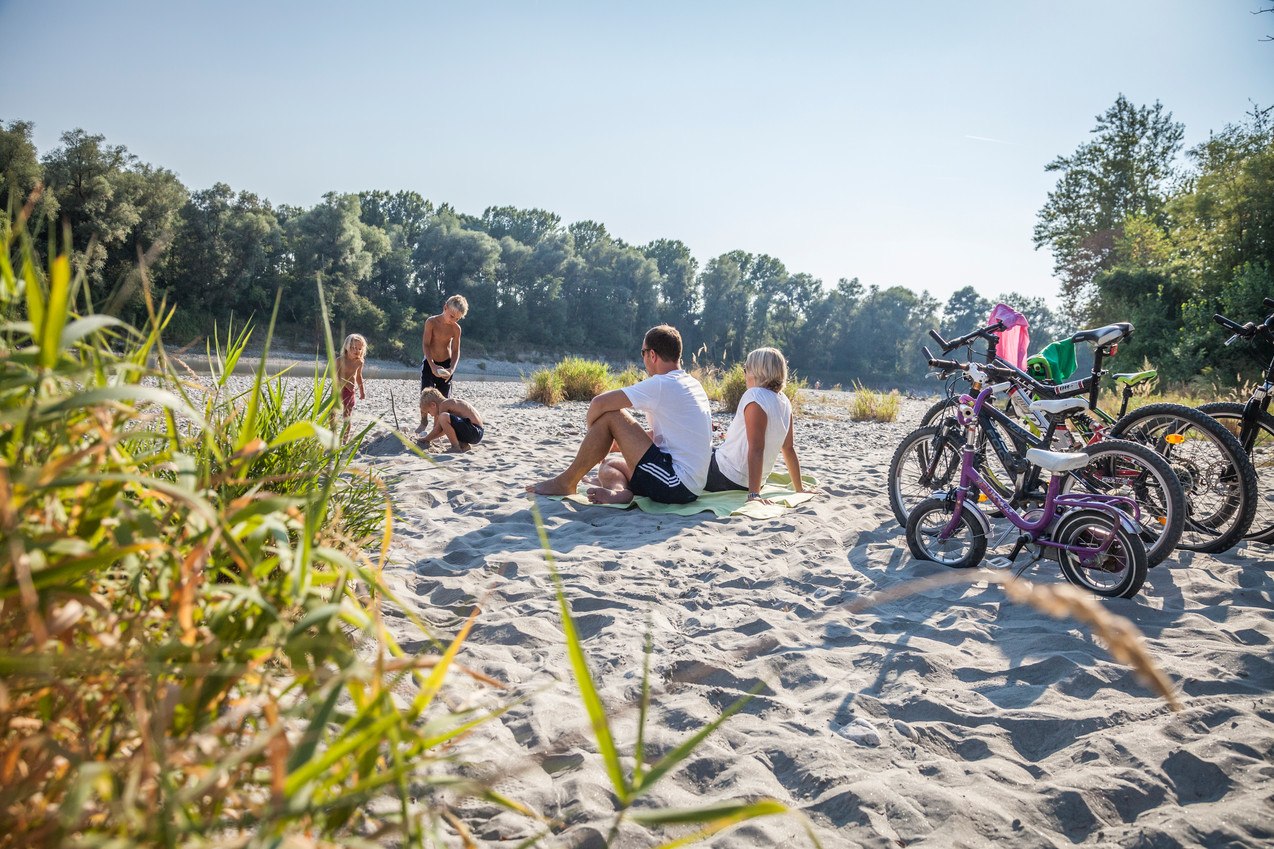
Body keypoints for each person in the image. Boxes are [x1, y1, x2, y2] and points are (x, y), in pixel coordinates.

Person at [526, 325, 711, 504]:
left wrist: (595, 437)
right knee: (610, 465)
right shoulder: (692, 384)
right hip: (690, 485)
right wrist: (609, 445)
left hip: (676, 485)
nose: (643, 359)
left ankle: (566, 482)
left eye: (643, 353)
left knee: (611, 415)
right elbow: (663, 437)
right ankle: (620, 492)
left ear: (652, 355)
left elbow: (599, 403)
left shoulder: (662, 383)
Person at [703, 347, 805, 504]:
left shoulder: (755, 396)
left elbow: (757, 448)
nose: (744, 375)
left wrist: (754, 495)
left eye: (746, 369)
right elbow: (788, 448)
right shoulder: (784, 401)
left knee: (690, 450)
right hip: (753, 481)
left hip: (727, 476)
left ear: (757, 372)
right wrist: (799, 489)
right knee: (712, 450)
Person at [417, 294, 468, 433]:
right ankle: (423, 421)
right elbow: (426, 345)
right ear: (445, 308)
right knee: (425, 395)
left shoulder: (456, 329)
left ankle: (436, 427)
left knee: (443, 400)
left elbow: (456, 350)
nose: (453, 320)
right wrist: (432, 366)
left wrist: (452, 369)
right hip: (430, 362)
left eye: (457, 318)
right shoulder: (431, 322)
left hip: (446, 365)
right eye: (452, 316)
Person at [418, 387, 485, 451]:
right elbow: (445, 430)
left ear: (433, 405)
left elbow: (438, 429)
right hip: (475, 432)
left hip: (474, 431)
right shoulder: (450, 405)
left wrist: (426, 439)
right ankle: (463, 445)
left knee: (443, 417)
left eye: (429, 412)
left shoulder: (444, 404)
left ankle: (455, 447)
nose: (431, 415)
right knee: (446, 419)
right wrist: (430, 439)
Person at [336, 333, 367, 420]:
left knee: (347, 414)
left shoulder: (359, 362)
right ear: (347, 347)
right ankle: (332, 431)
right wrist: (345, 383)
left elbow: (359, 376)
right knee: (333, 412)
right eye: (353, 348)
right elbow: (336, 376)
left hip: (350, 391)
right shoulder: (340, 360)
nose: (356, 350)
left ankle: (346, 433)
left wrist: (362, 391)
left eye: (359, 349)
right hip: (338, 389)